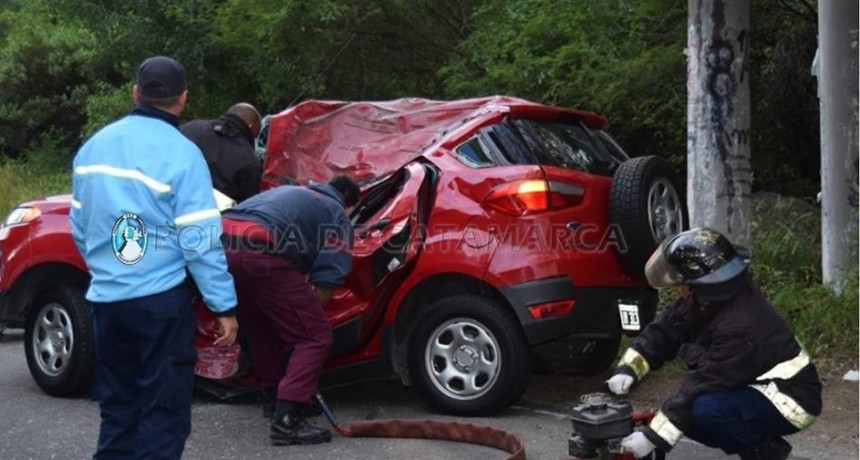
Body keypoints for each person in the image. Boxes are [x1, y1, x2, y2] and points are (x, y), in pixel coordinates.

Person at [70, 55, 239, 460]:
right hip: (160, 305)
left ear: (135, 93)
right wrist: (223, 305)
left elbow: (82, 226)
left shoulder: (93, 148)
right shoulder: (182, 154)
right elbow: (199, 240)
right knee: (162, 414)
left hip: (108, 302)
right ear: (182, 99)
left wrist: (110, 269)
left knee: (118, 410)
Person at [605, 227, 822, 460]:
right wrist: (630, 368)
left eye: (683, 282)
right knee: (686, 414)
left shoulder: (740, 325)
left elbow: (703, 384)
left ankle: (764, 452)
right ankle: (763, 445)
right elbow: (665, 330)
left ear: (703, 284)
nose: (680, 289)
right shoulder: (708, 299)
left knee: (702, 411)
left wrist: (652, 437)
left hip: (791, 399)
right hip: (754, 384)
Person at [220, 176, 360, 446]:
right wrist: (304, 318)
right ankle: (288, 419)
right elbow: (328, 280)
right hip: (261, 252)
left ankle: (275, 400)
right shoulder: (337, 214)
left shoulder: (290, 192)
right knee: (314, 336)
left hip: (223, 242)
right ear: (350, 206)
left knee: (261, 331)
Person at [180, 102, 263, 203]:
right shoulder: (249, 161)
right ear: (251, 126)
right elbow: (248, 207)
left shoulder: (190, 128)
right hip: (214, 214)